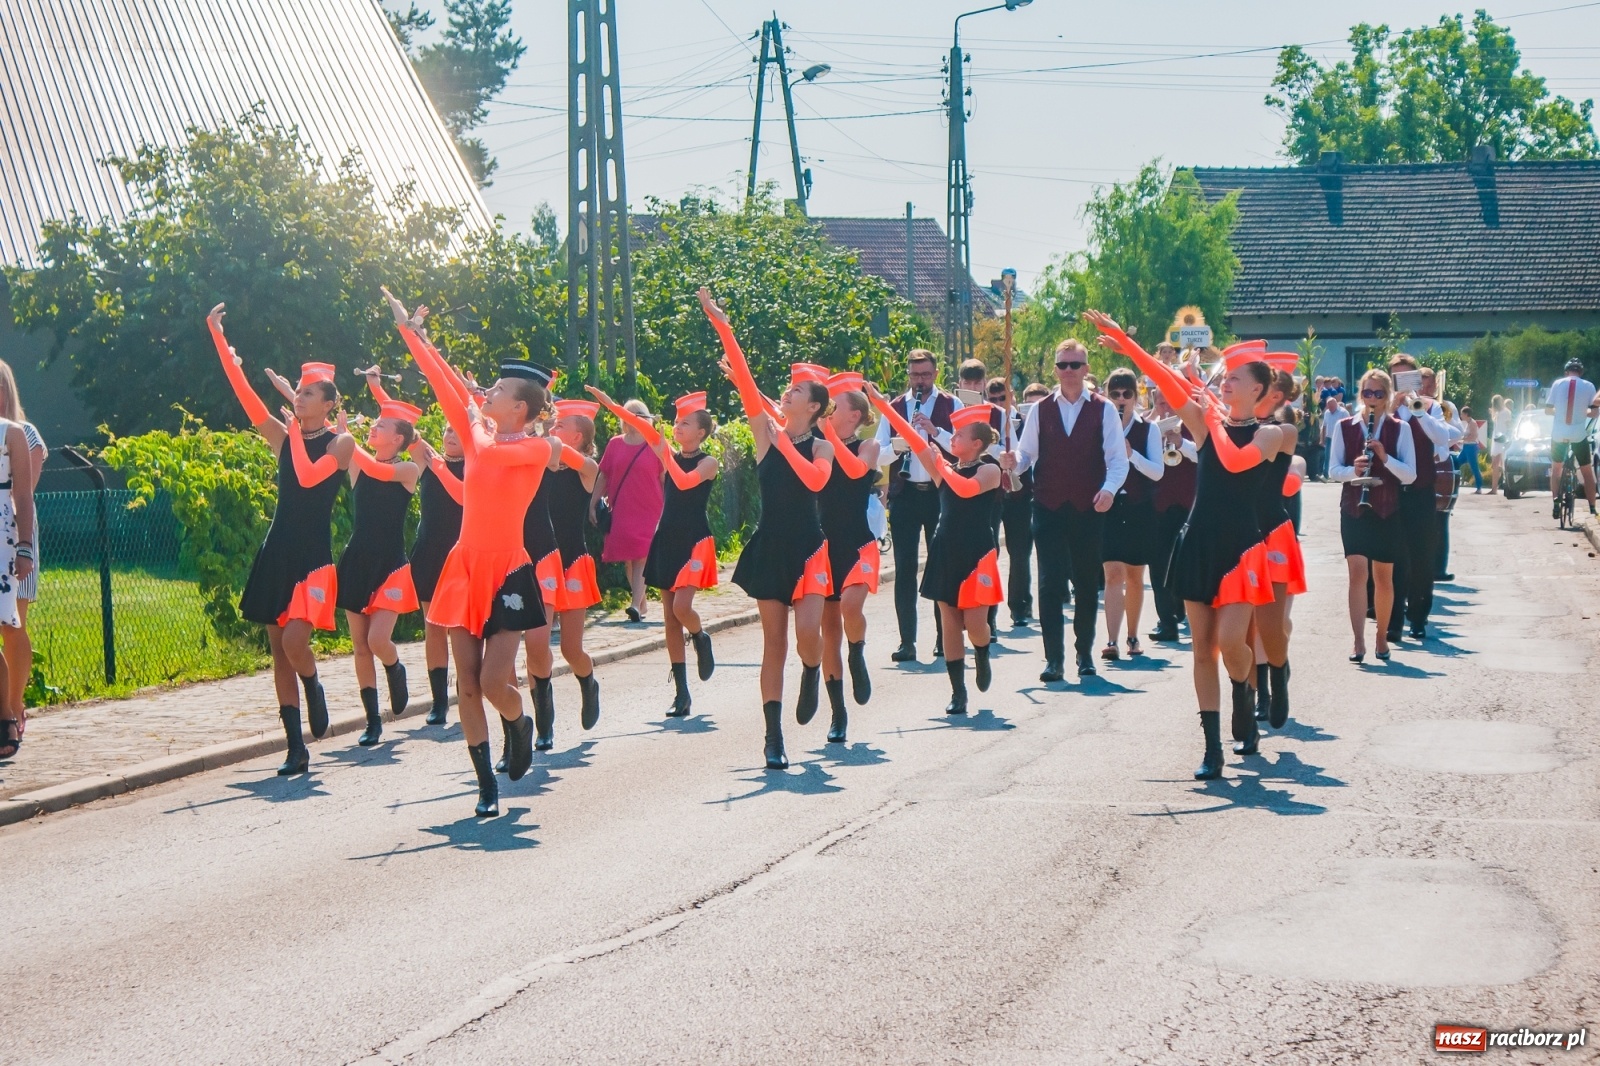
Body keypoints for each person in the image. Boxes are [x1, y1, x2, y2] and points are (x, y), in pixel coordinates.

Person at [388, 288, 583, 818]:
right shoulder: (480, 432)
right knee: (466, 685)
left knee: (496, 681)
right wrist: (413, 334)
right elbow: (443, 382)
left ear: (519, 406)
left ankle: (519, 723)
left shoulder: (539, 446)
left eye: (495, 392)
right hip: (465, 566)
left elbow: (495, 447)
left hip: (510, 571)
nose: (485, 395)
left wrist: (476, 420)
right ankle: (485, 786)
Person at [1085, 313, 1281, 780]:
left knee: (1233, 642)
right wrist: (1127, 344)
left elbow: (1233, 460)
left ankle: (1244, 690)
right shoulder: (1207, 419)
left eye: (1234, 378)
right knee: (1201, 648)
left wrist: (1209, 411)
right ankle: (1212, 746)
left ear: (1258, 390)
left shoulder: (1270, 434)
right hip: (1199, 540)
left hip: (1241, 547)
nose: (1224, 381)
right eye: (1224, 377)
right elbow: (1165, 379)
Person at [209, 304, 352, 775]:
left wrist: (292, 428)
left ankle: (313, 683)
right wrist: (220, 341)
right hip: (278, 552)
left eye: (309, 394)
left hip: (313, 558)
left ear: (329, 402)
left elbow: (310, 480)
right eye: (299, 393)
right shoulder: (285, 434)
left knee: (295, 643)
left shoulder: (341, 443)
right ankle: (296, 747)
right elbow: (246, 396)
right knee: (278, 651)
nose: (300, 400)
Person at [701, 288, 835, 770]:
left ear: (814, 408)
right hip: (771, 545)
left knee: (806, 636)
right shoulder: (767, 433)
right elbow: (747, 385)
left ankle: (814, 668)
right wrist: (722, 323)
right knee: (773, 644)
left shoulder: (821, 448)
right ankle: (773, 737)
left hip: (809, 547)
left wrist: (784, 445)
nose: (788, 392)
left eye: (797, 391)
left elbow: (816, 481)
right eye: (788, 389)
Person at [592, 388, 720, 717]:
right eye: (676, 422)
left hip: (694, 539)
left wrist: (663, 452)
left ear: (701, 432)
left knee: (682, 608)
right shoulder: (666, 453)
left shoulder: (709, 462)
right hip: (666, 539)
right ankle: (682, 693)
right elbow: (640, 425)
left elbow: (687, 482)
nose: (677, 427)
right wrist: (611, 404)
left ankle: (700, 634)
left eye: (685, 423)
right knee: (668, 619)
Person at [1005, 339, 1127, 681]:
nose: (1069, 371)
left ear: (1086, 368)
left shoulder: (1103, 410)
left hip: (1089, 507)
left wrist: (1108, 490)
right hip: (1048, 506)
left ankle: (1084, 653)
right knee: (1049, 583)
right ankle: (1053, 659)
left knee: (1087, 584)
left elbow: (1117, 461)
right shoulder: (1041, 410)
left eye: (1075, 365)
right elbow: (1026, 456)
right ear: (1055, 370)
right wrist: (1013, 462)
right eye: (1063, 365)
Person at [874, 392, 1002, 715]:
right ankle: (958, 692)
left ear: (975, 443)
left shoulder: (990, 470)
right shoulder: (945, 468)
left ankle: (982, 651)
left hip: (977, 553)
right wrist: (881, 403)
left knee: (975, 624)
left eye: (958, 435)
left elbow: (965, 489)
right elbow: (912, 438)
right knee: (949, 622)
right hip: (946, 549)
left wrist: (941, 464)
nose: (951, 438)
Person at [334, 399, 423, 746]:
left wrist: (348, 440)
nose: (372, 427)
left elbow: (378, 471)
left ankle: (395, 667)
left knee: (377, 641)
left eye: (382, 425)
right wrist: (337, 433)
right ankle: (373, 720)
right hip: (357, 561)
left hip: (391, 565)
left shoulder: (407, 471)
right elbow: (345, 453)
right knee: (359, 647)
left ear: (399, 439)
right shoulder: (359, 465)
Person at [875, 349, 960, 663]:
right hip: (906, 494)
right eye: (914, 375)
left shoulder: (953, 404)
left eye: (925, 375)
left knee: (941, 566)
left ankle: (942, 638)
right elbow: (880, 453)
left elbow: (962, 447)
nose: (919, 381)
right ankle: (907, 641)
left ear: (935, 374)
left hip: (940, 493)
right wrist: (901, 446)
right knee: (905, 570)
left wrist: (935, 432)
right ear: (907, 375)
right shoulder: (895, 408)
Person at [1330, 370, 1416, 663]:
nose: (1373, 399)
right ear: (1361, 395)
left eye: (1379, 394)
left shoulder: (1400, 428)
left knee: (1383, 578)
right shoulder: (1344, 426)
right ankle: (1357, 641)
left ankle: (1381, 635)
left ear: (1388, 396)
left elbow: (1410, 475)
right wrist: (1352, 471)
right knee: (1356, 575)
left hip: (1386, 508)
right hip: (1354, 507)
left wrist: (1384, 457)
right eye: (1368, 393)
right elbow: (1332, 471)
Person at [814, 372, 881, 743]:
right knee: (828, 633)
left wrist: (827, 434)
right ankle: (838, 714)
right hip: (825, 546)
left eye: (834, 406)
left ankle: (859, 651)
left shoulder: (866, 448)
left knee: (850, 608)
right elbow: (778, 418)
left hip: (858, 542)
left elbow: (856, 472)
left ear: (854, 415)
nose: (828, 411)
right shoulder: (819, 444)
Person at [536, 399, 604, 748]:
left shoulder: (587, 467)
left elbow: (561, 451)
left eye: (559, 425)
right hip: (541, 561)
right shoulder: (543, 462)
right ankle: (544, 724)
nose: (552, 428)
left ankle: (588, 681)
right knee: (538, 645)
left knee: (570, 649)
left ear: (577, 436)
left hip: (574, 561)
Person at [1250, 367, 1308, 730]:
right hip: (1242, 532)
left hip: (1275, 537)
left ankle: (1276, 675)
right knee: (1245, 626)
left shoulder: (1285, 437)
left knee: (1273, 622)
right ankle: (1260, 694)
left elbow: (1288, 487)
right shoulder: (1239, 427)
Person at [1389, 356, 1458, 641]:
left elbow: (1442, 439)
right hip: (1390, 493)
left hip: (1420, 492)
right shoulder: (1381, 406)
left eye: (1409, 377)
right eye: (1397, 378)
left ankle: (1418, 617)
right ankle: (1392, 620)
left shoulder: (1430, 407)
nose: (1403, 383)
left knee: (1421, 557)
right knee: (1391, 558)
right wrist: (1390, 409)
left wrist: (1418, 411)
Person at [1099, 367, 1163, 661]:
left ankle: (1133, 635)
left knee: (1135, 576)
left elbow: (1157, 471)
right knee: (1112, 574)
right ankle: (1111, 638)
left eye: (1126, 394)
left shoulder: (1148, 429)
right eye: (1115, 394)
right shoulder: (1101, 426)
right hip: (1111, 505)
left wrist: (1131, 455)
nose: (1121, 399)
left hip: (1138, 507)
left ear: (1136, 397)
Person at [406, 426, 465, 725]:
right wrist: (377, 387)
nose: (451, 435)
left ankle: (466, 689)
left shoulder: (478, 463)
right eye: (447, 430)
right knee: (433, 627)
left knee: (460, 630)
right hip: (429, 554)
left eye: (458, 430)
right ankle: (439, 701)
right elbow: (406, 429)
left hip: (461, 557)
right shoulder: (429, 459)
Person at [0, 360, 45, 754]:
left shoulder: (24, 433)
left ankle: (14, 704)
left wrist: (23, 546)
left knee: (15, 624)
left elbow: (24, 492)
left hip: (15, 538)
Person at [596, 399, 665, 622]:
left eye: (638, 414)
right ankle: (641, 604)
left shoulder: (655, 444)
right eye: (629, 414)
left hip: (651, 508)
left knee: (642, 556)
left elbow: (666, 478)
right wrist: (593, 501)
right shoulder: (615, 444)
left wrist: (670, 509)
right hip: (623, 507)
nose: (633, 419)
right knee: (629, 557)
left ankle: (635, 604)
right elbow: (604, 474)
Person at [1148, 391, 1197, 643]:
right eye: (1159, 402)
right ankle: (1166, 621)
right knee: (1158, 565)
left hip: (1191, 504)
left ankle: (1183, 612)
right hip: (1159, 504)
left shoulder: (1195, 423)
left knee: (1188, 564)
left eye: (1168, 401)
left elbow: (1205, 456)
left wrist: (1181, 443)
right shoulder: (1149, 427)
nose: (1164, 406)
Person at [993, 377, 1035, 628]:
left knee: (1020, 552)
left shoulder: (1025, 423)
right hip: (993, 496)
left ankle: (1019, 604)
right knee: (990, 553)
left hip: (1020, 496)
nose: (999, 403)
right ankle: (988, 612)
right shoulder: (985, 423)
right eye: (995, 399)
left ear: (1013, 397)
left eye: (1004, 398)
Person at [1546, 358, 1598, 517]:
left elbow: (1548, 410)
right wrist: (1583, 413)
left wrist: (1559, 412)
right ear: (1581, 373)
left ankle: (1555, 501)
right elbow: (1595, 413)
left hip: (1559, 433)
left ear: (1566, 372)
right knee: (1587, 472)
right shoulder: (1589, 386)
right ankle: (1592, 508)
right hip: (1578, 434)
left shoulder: (1557, 384)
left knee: (1556, 469)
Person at [1456, 406, 1484, 494]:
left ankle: (1479, 487)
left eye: (1462, 414)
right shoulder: (1468, 423)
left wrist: (1462, 440)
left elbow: (1474, 436)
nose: (1461, 415)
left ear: (1466, 414)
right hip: (1466, 448)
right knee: (1456, 462)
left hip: (1471, 448)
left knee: (1474, 467)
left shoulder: (1473, 423)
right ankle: (1454, 483)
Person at [1488, 394, 1510, 495]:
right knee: (1496, 465)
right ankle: (1494, 488)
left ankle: (1504, 487)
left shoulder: (1505, 412)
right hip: (1497, 439)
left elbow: (1508, 425)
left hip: (1502, 439)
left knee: (1503, 465)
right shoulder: (1497, 413)